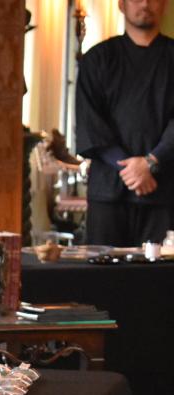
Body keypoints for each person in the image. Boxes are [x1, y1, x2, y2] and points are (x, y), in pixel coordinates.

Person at [75, 0, 174, 247]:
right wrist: (131, 169)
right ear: (121, 4)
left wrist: (152, 161)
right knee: (105, 281)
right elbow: (90, 123)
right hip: (108, 193)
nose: (145, 3)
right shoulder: (97, 59)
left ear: (165, 6)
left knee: (162, 282)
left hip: (165, 194)